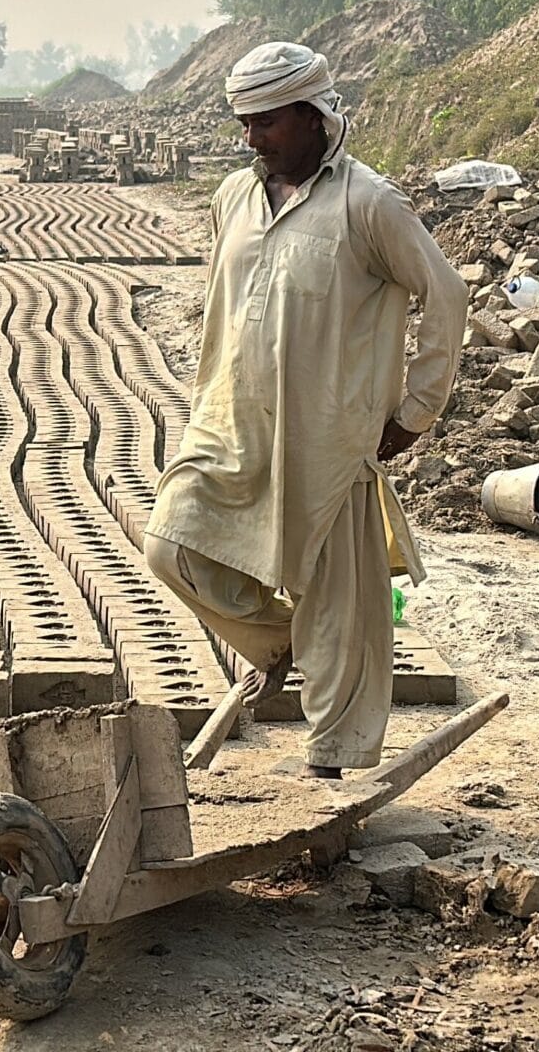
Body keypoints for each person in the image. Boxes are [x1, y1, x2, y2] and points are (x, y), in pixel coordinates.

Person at [142, 42, 467, 778]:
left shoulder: (368, 204)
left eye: (266, 122)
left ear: (314, 117)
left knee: (340, 608)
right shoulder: (234, 199)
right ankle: (278, 644)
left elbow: (444, 294)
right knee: (172, 543)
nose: (251, 139)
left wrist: (415, 411)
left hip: (329, 436)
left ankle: (333, 769)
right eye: (245, 123)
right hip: (231, 426)